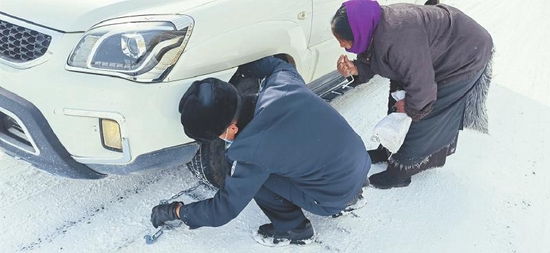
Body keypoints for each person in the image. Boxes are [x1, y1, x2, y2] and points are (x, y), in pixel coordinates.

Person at [150, 56, 371, 246]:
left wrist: (176, 211)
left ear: (232, 128)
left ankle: (294, 229)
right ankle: (352, 194)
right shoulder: (283, 81)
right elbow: (272, 64)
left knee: (257, 180)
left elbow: (222, 210)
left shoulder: (251, 152)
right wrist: (239, 68)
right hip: (359, 164)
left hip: (333, 196)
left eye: (218, 135)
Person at [331, 0, 493, 189]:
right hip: (431, 53)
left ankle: (400, 173)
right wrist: (356, 69)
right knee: (398, 99)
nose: (342, 45)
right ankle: (388, 150)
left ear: (358, 32)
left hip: (464, 54)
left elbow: (423, 88)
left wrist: (410, 107)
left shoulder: (399, 39)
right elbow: (376, 59)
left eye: (343, 40)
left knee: (424, 114)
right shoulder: (373, 26)